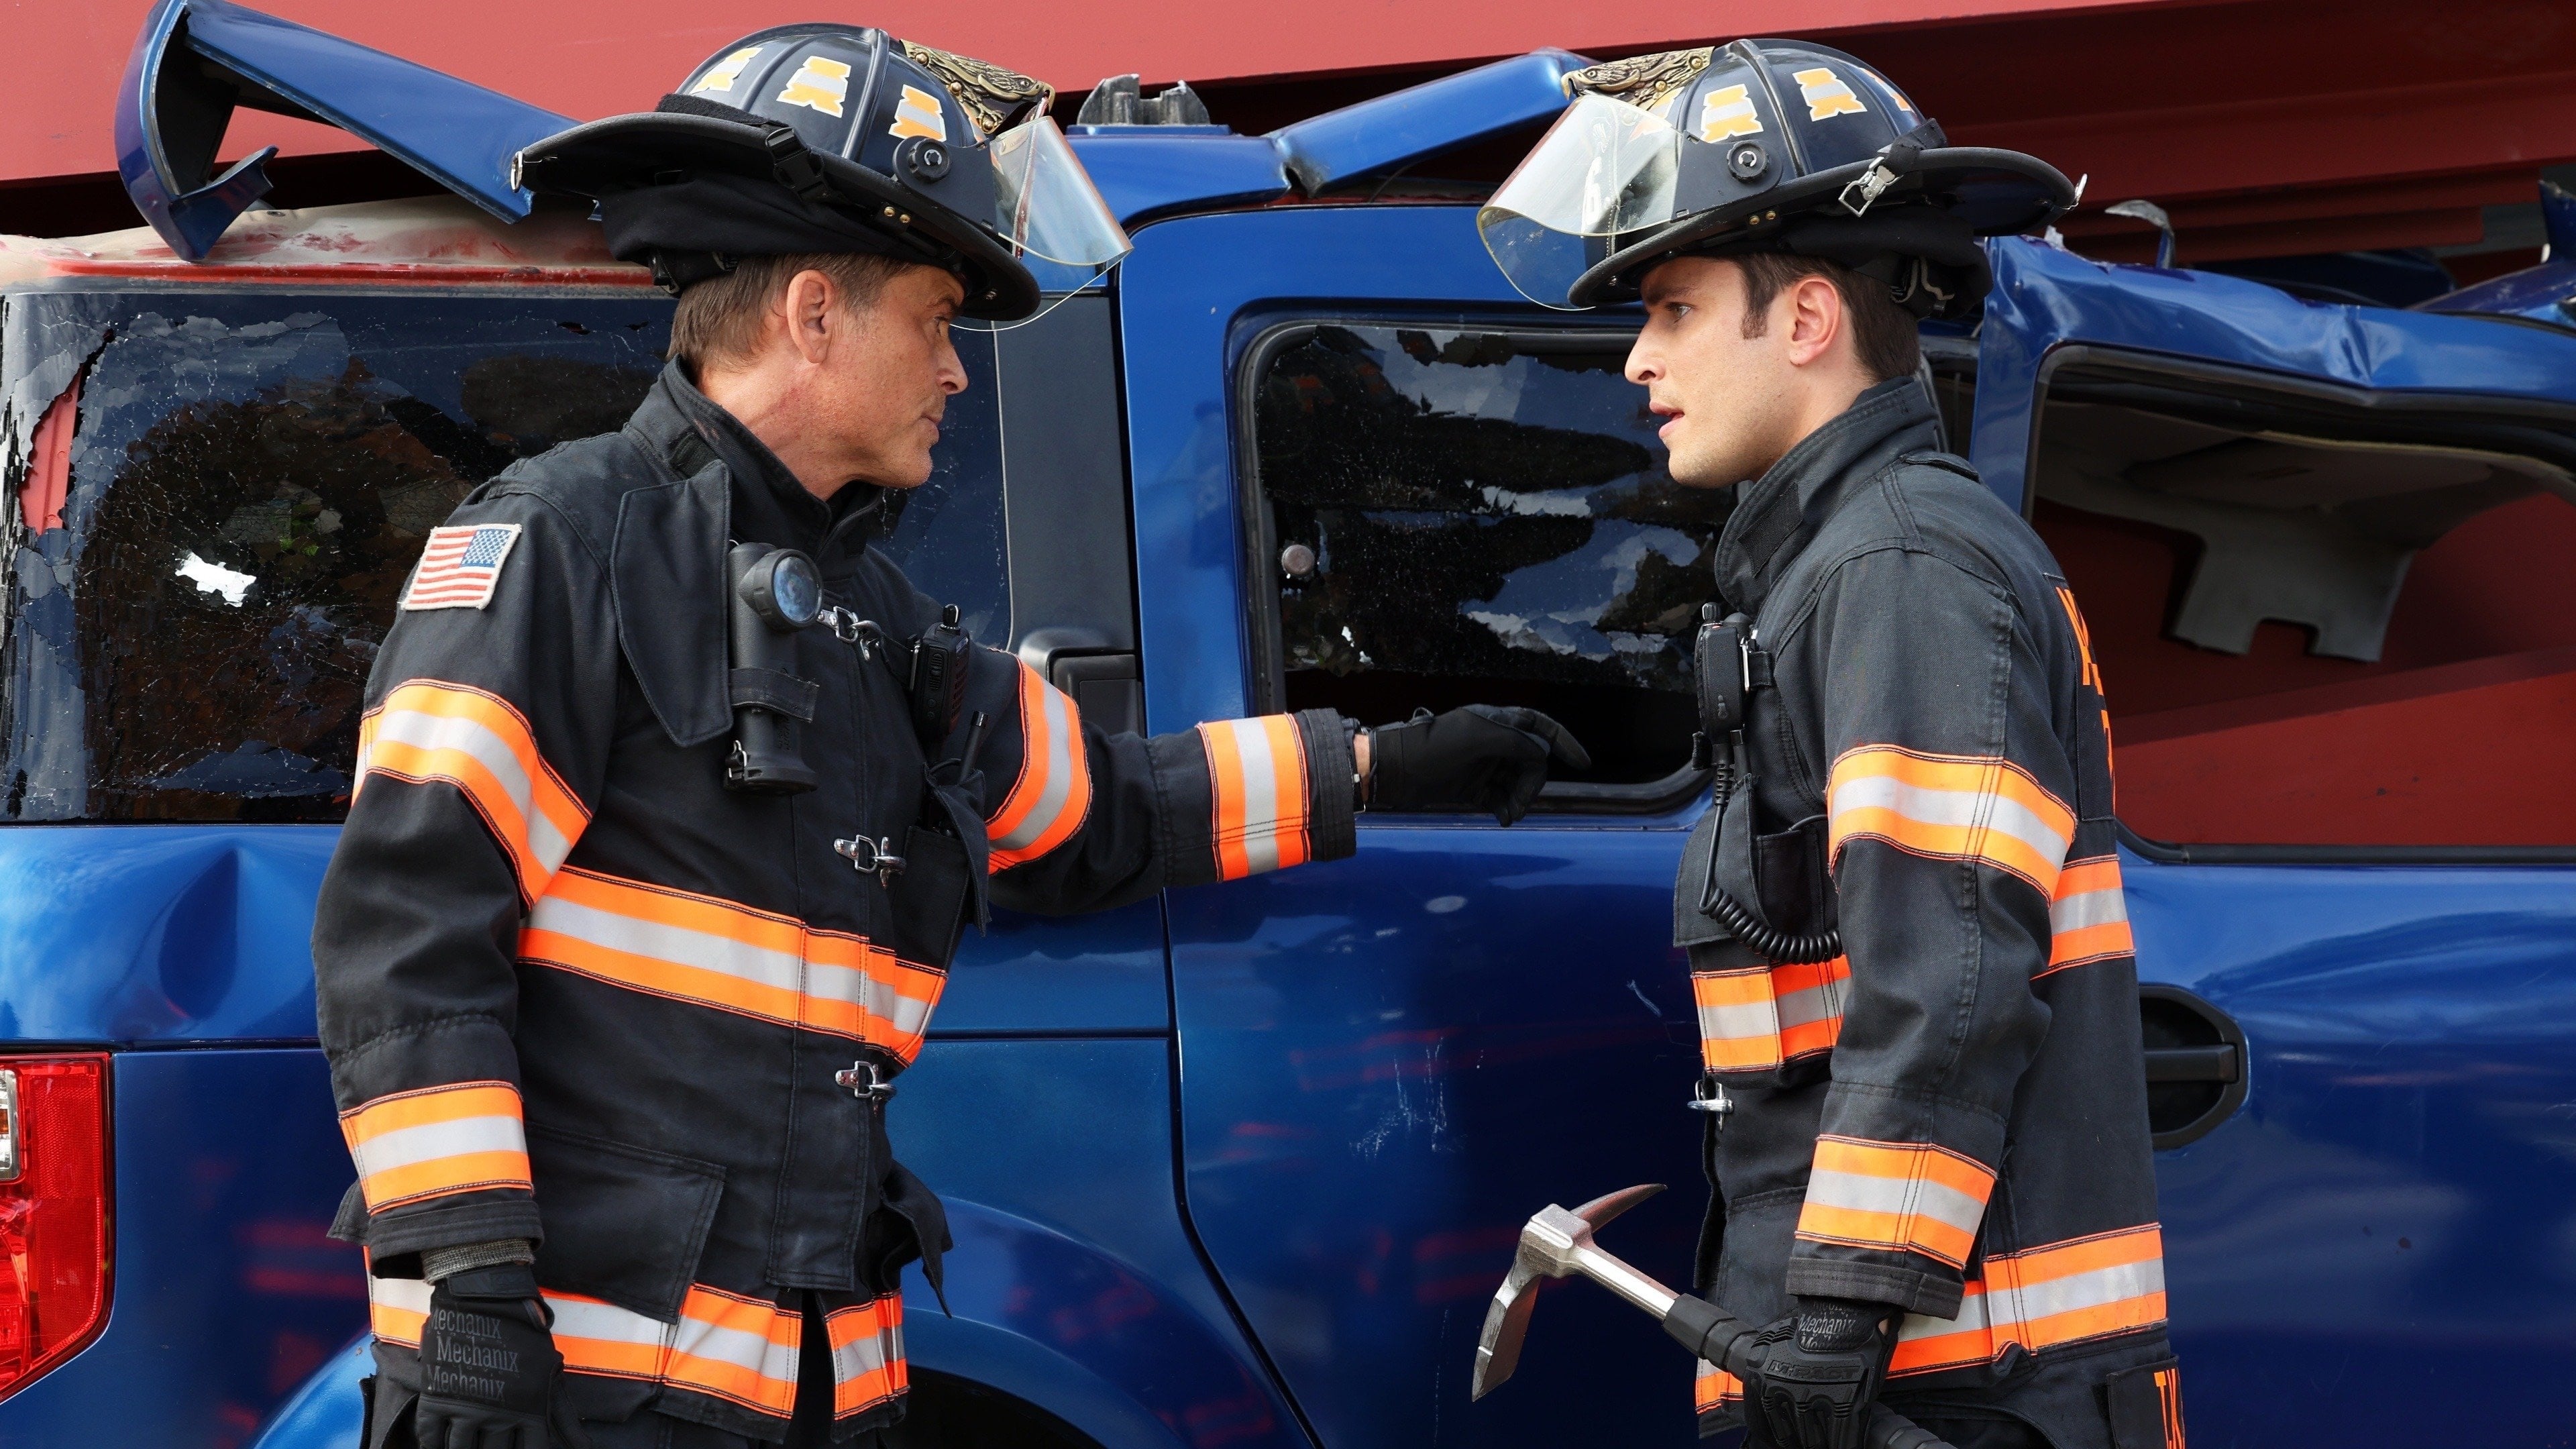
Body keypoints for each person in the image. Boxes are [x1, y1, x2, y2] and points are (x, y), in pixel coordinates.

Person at [315, 25, 1585, 1449]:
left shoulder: (875, 621)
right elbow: (411, 928)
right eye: (932, 322)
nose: (957, 372)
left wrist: (1374, 763)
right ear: (813, 315)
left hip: (818, 1390)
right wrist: (473, 1293)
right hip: (581, 1393)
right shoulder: (561, 545)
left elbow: (1097, 810)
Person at [1479, 39, 2181, 1449]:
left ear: (1805, 318)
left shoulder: (1900, 569)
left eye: (1675, 308)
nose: (1639, 359)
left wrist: (1842, 1320)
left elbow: (1946, 973)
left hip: (1949, 1390)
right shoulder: (1835, 572)